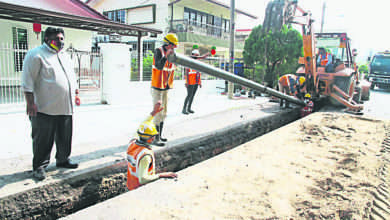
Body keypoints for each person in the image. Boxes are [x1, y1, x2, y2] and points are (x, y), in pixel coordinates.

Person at [21, 27, 79, 181]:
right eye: (56, 39)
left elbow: (71, 77)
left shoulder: (65, 56)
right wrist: (30, 103)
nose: (60, 42)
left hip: (66, 107)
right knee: (43, 139)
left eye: (62, 39)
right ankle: (39, 166)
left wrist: (76, 93)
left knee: (65, 137)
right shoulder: (36, 55)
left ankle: (63, 159)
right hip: (44, 108)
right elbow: (27, 82)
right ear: (47, 39)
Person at [126, 102, 178, 191]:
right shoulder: (145, 155)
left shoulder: (132, 143)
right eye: (154, 135)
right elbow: (143, 179)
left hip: (130, 184)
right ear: (151, 138)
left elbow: (143, 126)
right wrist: (161, 175)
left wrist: (153, 113)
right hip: (140, 188)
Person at [151, 33, 178, 146]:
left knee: (164, 112)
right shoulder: (158, 51)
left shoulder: (172, 53)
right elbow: (159, 66)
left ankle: (160, 135)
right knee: (158, 113)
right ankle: (155, 138)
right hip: (157, 86)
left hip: (166, 86)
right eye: (172, 46)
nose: (173, 49)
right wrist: (166, 56)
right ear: (167, 44)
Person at [182, 49, 209, 114]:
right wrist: (187, 82)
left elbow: (198, 73)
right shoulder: (188, 61)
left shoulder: (197, 63)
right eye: (196, 55)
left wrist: (199, 83)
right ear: (193, 54)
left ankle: (189, 108)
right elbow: (186, 73)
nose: (197, 57)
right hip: (190, 82)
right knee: (189, 95)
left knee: (192, 96)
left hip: (196, 82)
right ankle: (184, 109)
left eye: (197, 55)